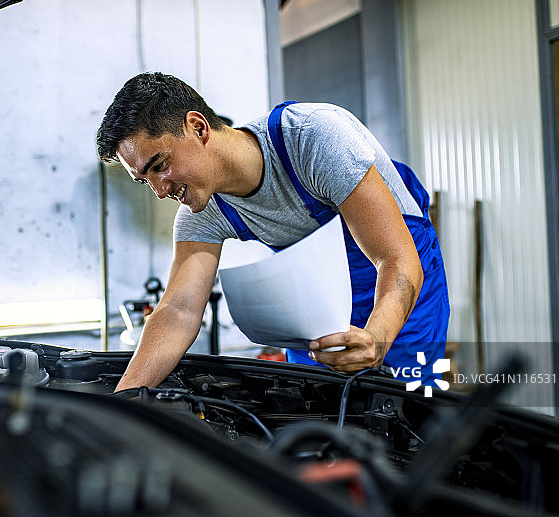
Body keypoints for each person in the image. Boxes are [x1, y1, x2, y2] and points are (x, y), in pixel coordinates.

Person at [96, 72, 449, 392]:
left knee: (407, 407)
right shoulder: (200, 214)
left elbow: (395, 257)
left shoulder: (313, 139)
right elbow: (178, 312)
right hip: (320, 302)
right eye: (145, 180)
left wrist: (378, 337)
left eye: (160, 165)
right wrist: (123, 402)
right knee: (311, 410)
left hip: (399, 282)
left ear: (198, 127)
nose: (159, 191)